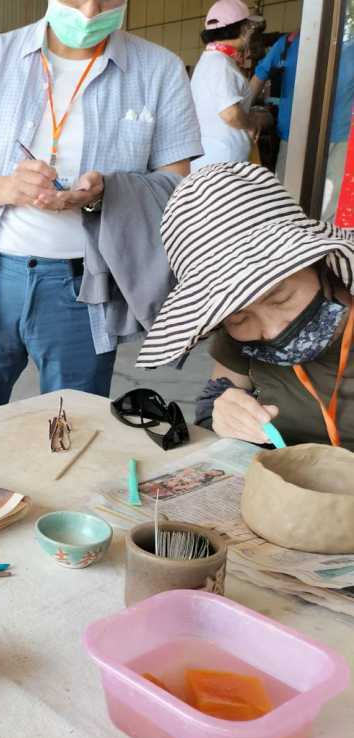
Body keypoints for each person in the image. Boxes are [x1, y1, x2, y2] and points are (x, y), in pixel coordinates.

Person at [0, 0, 202, 418]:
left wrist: (105, 193)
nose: (91, 10)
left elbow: (177, 194)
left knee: (73, 426)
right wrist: (8, 187)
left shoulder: (159, 70)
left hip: (85, 285)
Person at [136, 162, 354, 449]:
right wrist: (224, 414)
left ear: (318, 264)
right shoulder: (240, 334)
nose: (273, 330)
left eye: (280, 297)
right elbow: (219, 395)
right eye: (239, 318)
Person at [248, 28, 354, 221]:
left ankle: (320, 245)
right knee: (287, 200)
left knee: (329, 205)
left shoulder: (350, 44)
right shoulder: (288, 43)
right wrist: (242, 115)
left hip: (340, 137)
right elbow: (259, 76)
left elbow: (258, 77)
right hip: (294, 135)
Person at [190, 0, 261, 170]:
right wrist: (251, 123)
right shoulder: (220, 63)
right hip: (223, 162)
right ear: (243, 29)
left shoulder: (212, 59)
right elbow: (229, 113)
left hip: (216, 159)